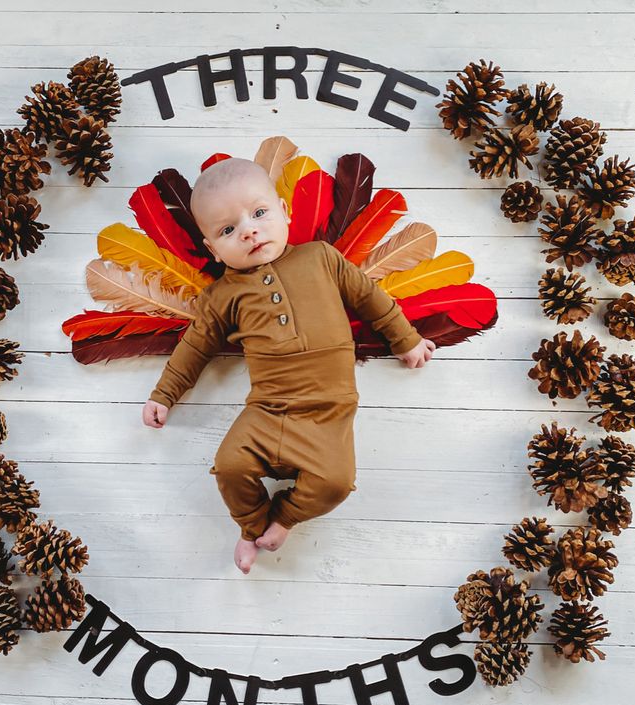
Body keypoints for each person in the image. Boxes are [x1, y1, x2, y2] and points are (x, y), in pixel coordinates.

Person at [142, 158, 436, 574]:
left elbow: (370, 297)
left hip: (328, 412)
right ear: (211, 248)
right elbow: (193, 348)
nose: (248, 230)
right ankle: (251, 527)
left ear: (284, 210)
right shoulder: (224, 295)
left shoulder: (321, 258)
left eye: (259, 213)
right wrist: (164, 395)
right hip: (268, 410)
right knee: (230, 467)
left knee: (335, 483)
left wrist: (405, 339)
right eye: (228, 230)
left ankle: (284, 518)